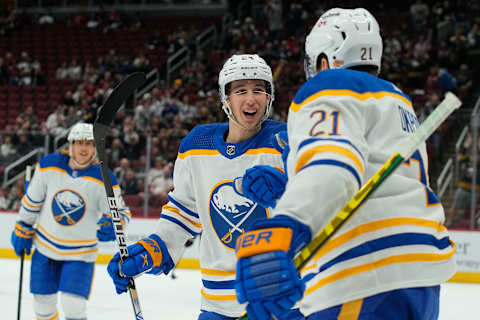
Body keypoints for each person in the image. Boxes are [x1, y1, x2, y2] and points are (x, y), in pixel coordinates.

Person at [233, 8, 456, 320]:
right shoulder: (398, 101)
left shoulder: (329, 84)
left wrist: (286, 224)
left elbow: (333, 166)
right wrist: (289, 189)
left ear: (324, 60)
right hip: (420, 280)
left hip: (361, 270)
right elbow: (376, 178)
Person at [106, 54, 303, 319]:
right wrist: (153, 249)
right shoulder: (197, 147)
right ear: (226, 99)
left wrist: (285, 194)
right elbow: (184, 212)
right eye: (240, 90)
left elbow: (317, 208)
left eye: (259, 90)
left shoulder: (288, 142)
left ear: (269, 97)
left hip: (280, 301)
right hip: (217, 306)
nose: (251, 98)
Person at [10, 122, 131, 320]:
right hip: (45, 248)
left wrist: (115, 224)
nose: (84, 148)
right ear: (70, 145)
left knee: (73, 305)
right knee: (42, 304)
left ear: (95, 147)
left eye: (89, 143)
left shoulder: (104, 177)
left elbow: (121, 212)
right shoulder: (49, 165)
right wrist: (22, 225)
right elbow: (33, 200)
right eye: (79, 143)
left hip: (80, 254)